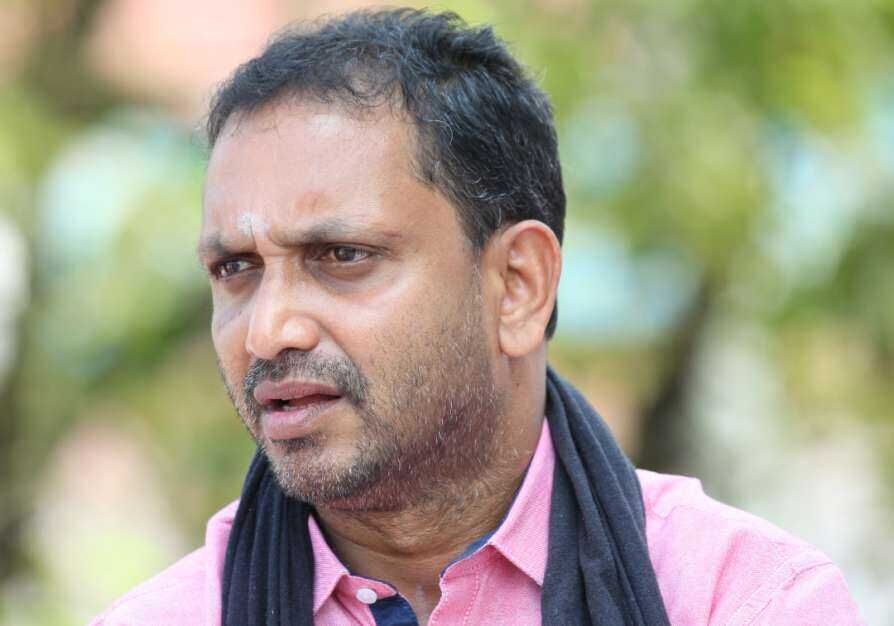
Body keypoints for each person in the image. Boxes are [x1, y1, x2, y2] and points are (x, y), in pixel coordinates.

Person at [90, 8, 862, 626]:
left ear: (518, 286)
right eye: (237, 269)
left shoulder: (745, 602)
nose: (268, 331)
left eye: (342, 256)